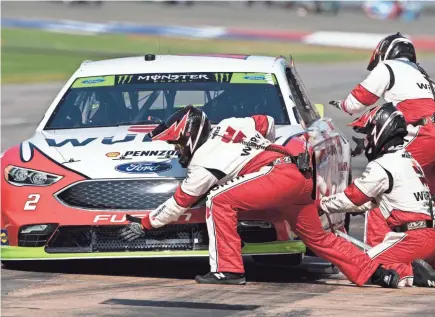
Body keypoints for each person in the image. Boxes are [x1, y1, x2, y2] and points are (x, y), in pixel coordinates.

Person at [117, 105, 402, 287]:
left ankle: (228, 270)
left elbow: (179, 204)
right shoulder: (233, 122)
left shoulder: (203, 163)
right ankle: (378, 274)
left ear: (190, 135)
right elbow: (265, 122)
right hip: (297, 176)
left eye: (177, 143)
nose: (177, 150)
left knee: (218, 200)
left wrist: (145, 224)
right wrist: (259, 147)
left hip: (278, 177)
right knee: (318, 239)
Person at [317, 102, 435, 287]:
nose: (365, 141)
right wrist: (354, 207)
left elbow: (354, 197)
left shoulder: (382, 165)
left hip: (412, 238)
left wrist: (321, 204)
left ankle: (412, 273)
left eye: (367, 134)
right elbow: (375, 200)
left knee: (362, 266)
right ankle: (418, 268)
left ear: (380, 130)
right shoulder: (409, 160)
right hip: (429, 234)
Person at [329, 32, 435, 195]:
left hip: (423, 136)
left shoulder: (388, 67)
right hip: (426, 135)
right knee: (425, 196)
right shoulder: (426, 78)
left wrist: (342, 105)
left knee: (384, 186)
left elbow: (355, 104)